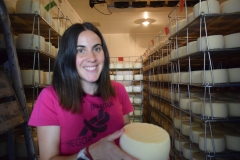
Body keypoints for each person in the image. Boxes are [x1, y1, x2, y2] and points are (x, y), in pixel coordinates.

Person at [28, 22, 136, 160]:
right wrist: (87, 154)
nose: (92, 58)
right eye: (80, 50)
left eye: (97, 49)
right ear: (68, 56)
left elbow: (126, 137)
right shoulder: (50, 98)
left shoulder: (118, 90)